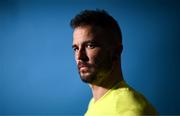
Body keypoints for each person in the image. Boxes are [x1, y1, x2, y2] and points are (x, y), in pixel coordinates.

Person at [70, 9, 158, 116]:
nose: (79, 56)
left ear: (116, 51)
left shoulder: (130, 111)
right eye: (76, 48)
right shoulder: (95, 103)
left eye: (90, 45)